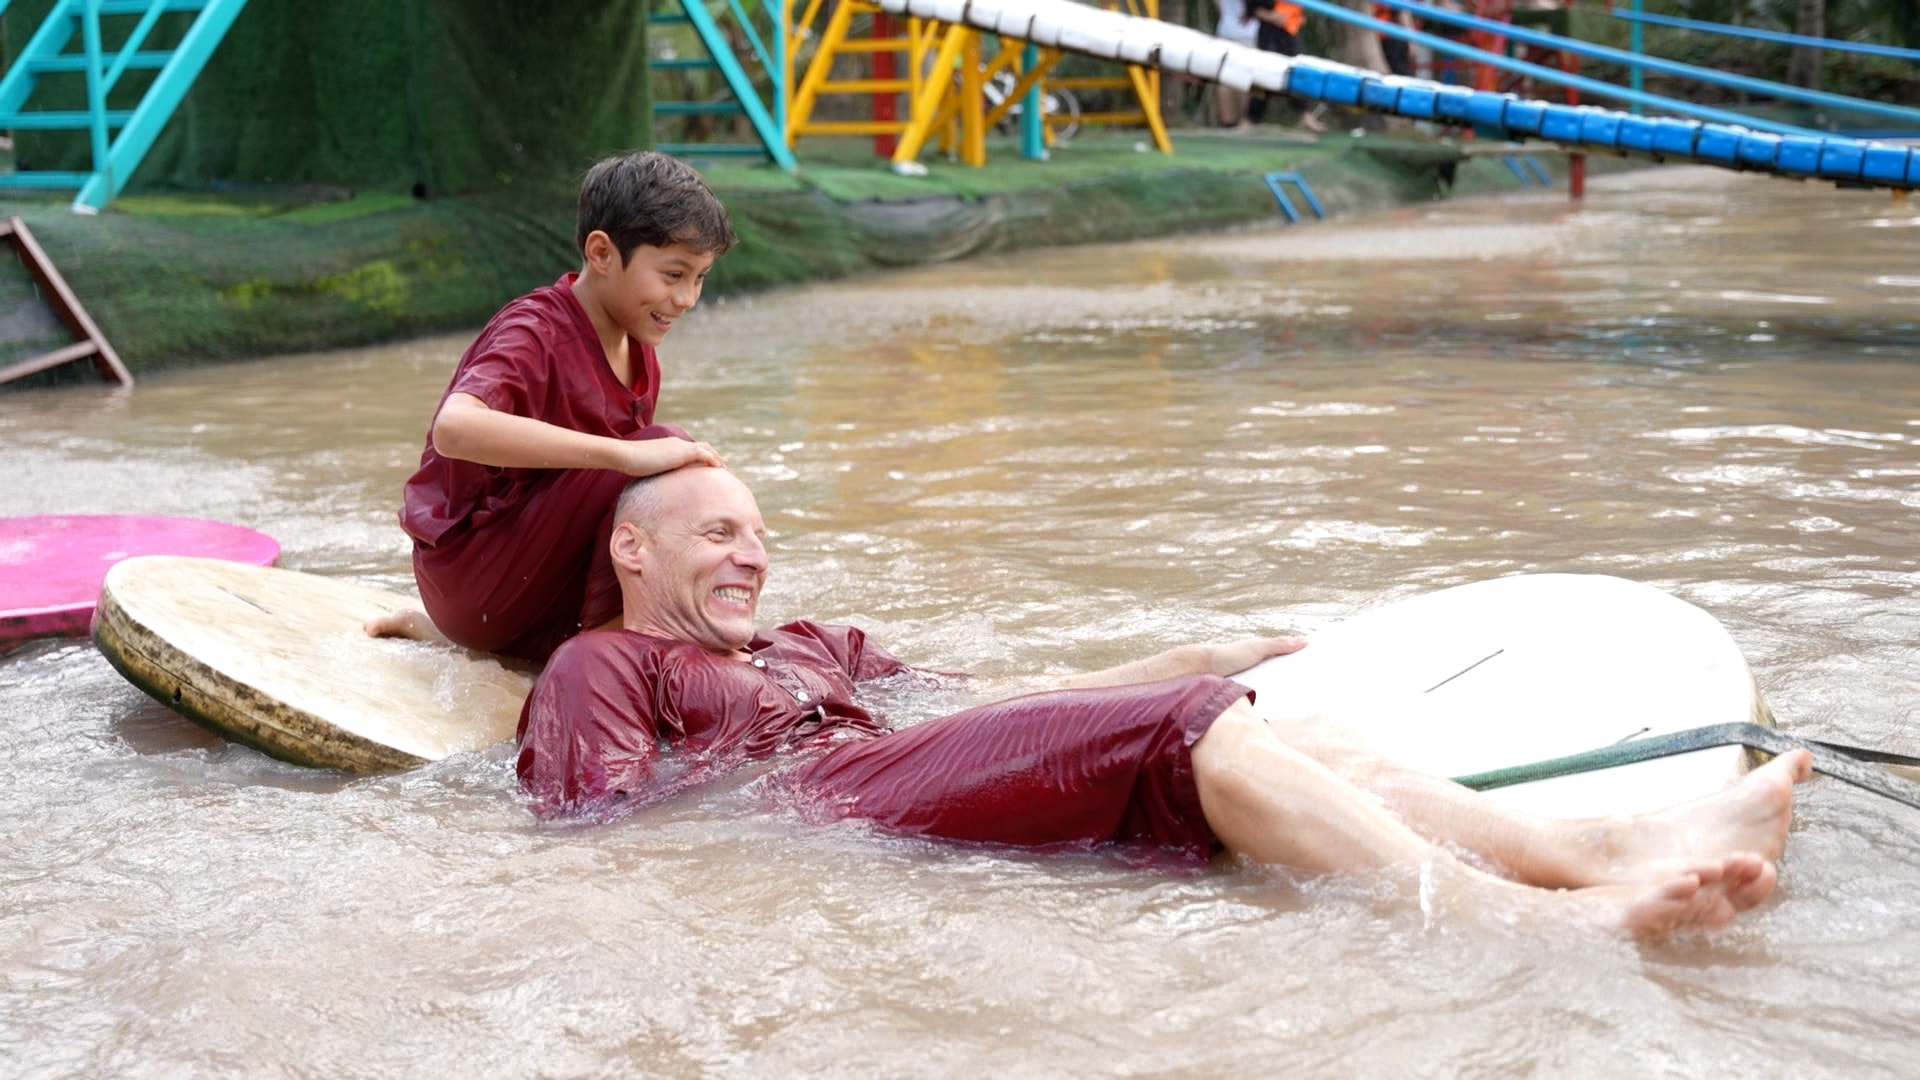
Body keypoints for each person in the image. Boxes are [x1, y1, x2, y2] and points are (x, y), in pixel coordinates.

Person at [515, 464, 1815, 939]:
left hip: (893, 759)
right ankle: (1533, 923)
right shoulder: (602, 667)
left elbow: (1017, 701)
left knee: (1289, 725)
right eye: (719, 534)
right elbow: (601, 837)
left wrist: (1203, 651)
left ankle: (1587, 846)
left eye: (759, 534)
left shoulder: (812, 644)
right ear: (634, 551)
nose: (753, 555)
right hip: (809, 801)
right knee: (1190, 729)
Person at [365, 151, 732, 662]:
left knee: (670, 479)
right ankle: (607, 659)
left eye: (700, 277)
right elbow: (454, 427)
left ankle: (462, 635)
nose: (688, 297)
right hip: (473, 580)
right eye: (673, 275)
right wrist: (625, 454)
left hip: (521, 588)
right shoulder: (536, 331)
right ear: (601, 253)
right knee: (662, 449)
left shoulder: (638, 345)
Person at [1246, 0, 1327, 133]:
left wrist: (1299, 17)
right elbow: (1252, 7)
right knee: (1264, 76)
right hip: (1270, 35)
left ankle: (1304, 115)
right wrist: (1270, 16)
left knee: (1296, 73)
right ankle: (1251, 119)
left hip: (1290, 34)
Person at [1213, 0, 1261, 129]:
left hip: (1226, 29)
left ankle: (1227, 122)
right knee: (1245, 79)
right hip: (1248, 31)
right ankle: (1245, 120)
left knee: (1225, 79)